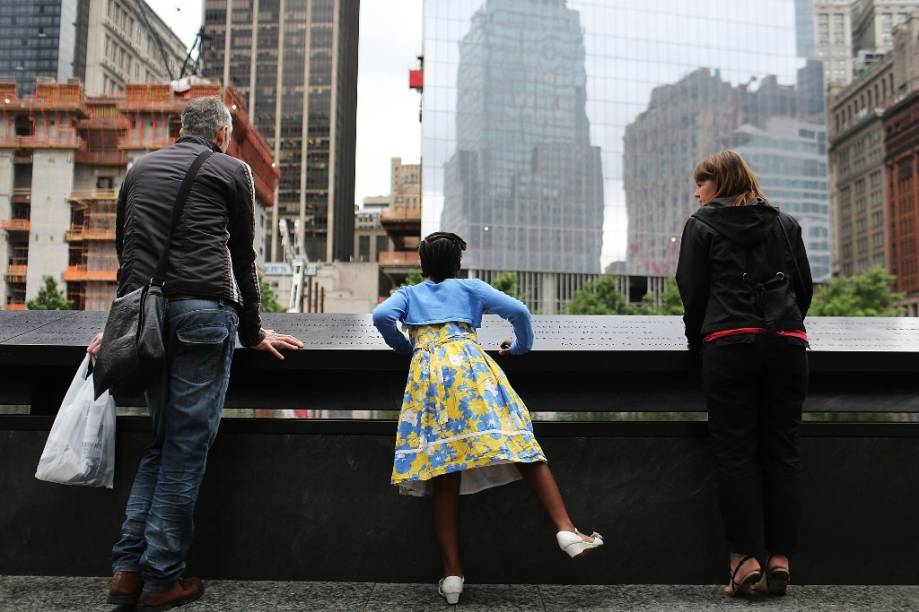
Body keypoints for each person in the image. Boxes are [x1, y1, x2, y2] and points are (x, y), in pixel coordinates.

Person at [87, 96, 303, 610]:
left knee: (162, 444)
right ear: (224, 134)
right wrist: (253, 333)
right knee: (184, 450)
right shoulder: (232, 170)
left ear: (180, 130)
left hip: (148, 317)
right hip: (206, 315)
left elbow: (129, 253)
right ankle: (162, 579)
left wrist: (115, 324)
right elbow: (243, 258)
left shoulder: (139, 170)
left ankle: (126, 571)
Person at [372, 232, 603, 605]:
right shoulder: (470, 288)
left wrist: (406, 345)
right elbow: (520, 313)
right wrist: (523, 346)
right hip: (471, 367)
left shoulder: (410, 294)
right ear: (457, 265)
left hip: (429, 376)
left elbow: (382, 316)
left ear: (422, 264)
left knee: (444, 470)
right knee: (516, 441)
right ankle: (566, 530)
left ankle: (451, 575)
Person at [676, 151, 813, 597]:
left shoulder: (701, 226)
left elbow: (692, 295)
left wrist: (700, 345)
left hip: (729, 344)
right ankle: (780, 558)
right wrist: (784, 328)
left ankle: (743, 560)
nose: (697, 193)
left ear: (719, 184)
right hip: (787, 343)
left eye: (702, 183)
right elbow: (803, 287)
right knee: (783, 451)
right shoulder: (784, 223)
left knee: (735, 453)